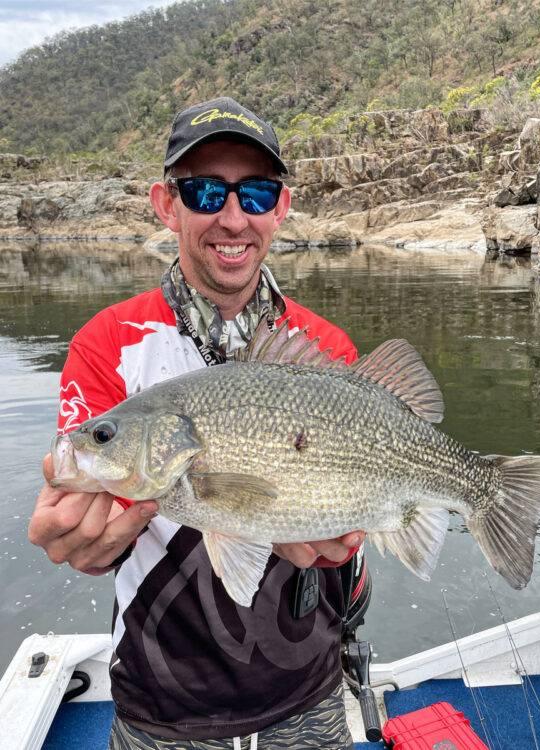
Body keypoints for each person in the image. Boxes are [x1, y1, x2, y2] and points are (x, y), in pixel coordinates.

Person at [28, 97, 368, 750]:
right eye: (206, 190)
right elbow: (84, 504)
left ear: (282, 207)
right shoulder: (107, 346)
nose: (233, 217)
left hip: (308, 691)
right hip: (162, 706)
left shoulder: (327, 349)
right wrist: (83, 537)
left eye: (257, 192)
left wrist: (344, 537)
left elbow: (347, 522)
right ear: (166, 203)